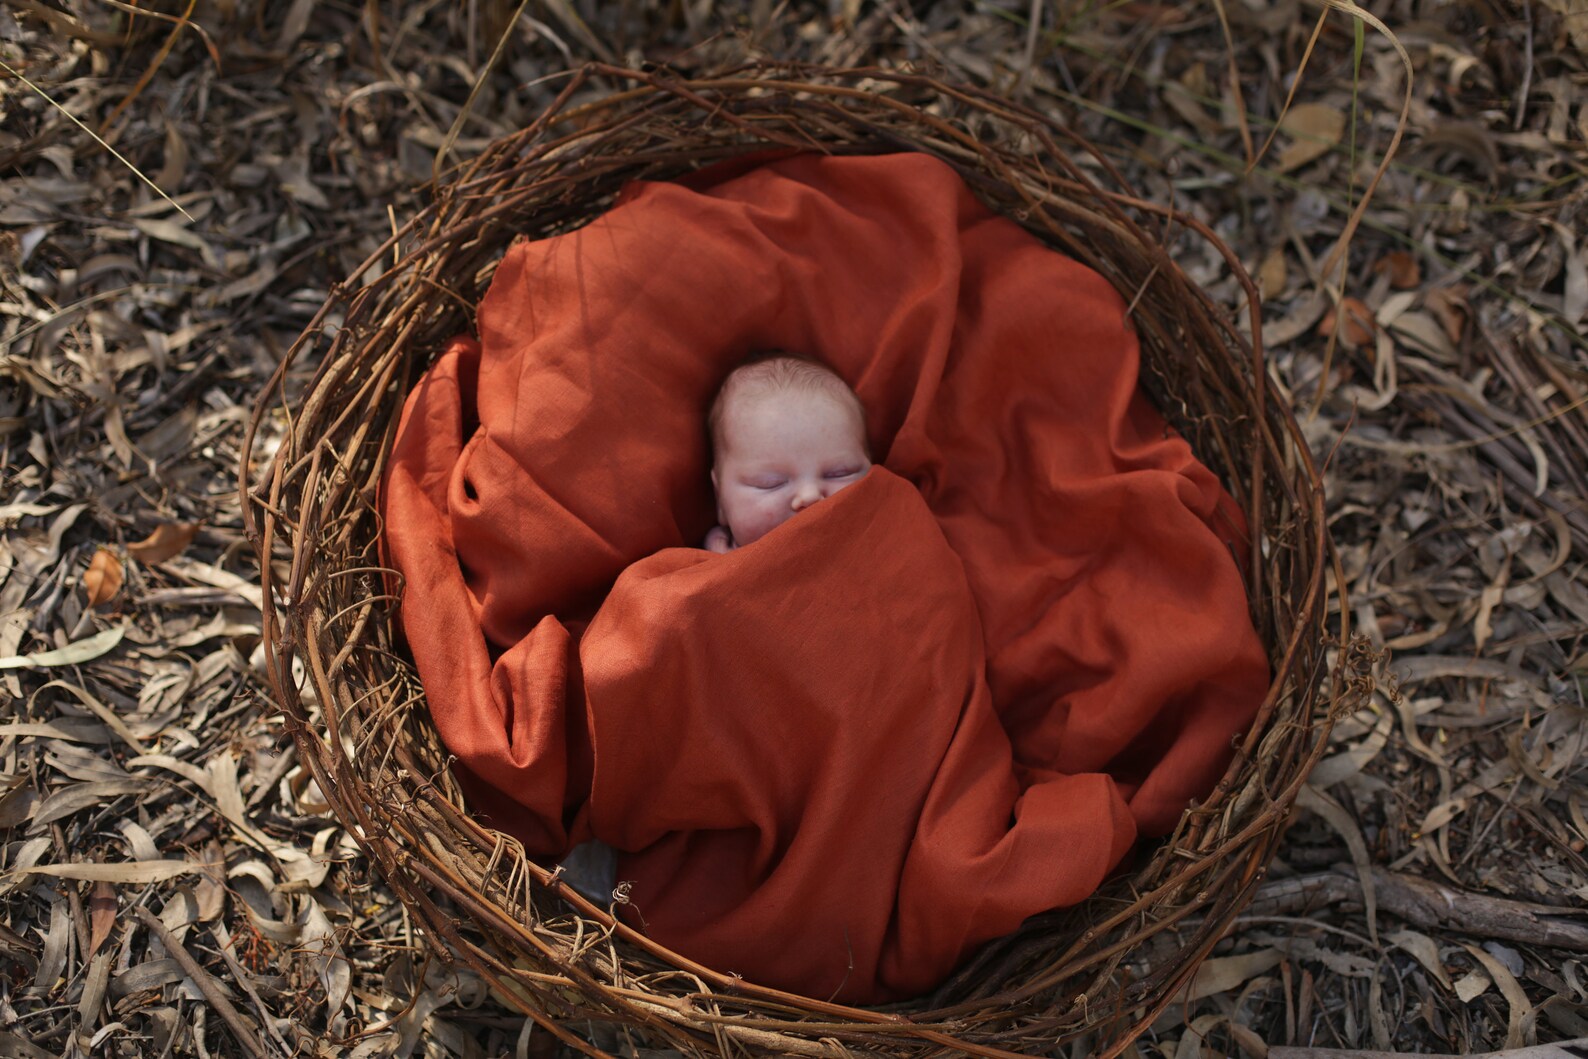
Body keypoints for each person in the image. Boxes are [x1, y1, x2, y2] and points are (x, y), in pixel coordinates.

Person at [704, 353, 871, 553]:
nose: (809, 496)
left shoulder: (896, 527)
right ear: (720, 499)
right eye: (769, 483)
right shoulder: (702, 569)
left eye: (840, 473)